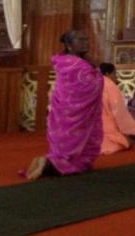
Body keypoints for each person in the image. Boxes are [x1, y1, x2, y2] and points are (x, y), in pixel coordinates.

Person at [24, 30, 103, 180]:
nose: (85, 42)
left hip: (66, 108)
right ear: (69, 45)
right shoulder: (77, 64)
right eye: (80, 40)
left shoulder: (69, 61)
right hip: (75, 111)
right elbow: (90, 85)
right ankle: (49, 163)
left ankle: (49, 162)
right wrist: (97, 72)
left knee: (71, 145)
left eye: (86, 39)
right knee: (72, 148)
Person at [99, 63, 135, 154]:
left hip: (92, 126)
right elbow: (118, 109)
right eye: (114, 74)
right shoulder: (109, 85)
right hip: (107, 125)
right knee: (123, 142)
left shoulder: (92, 83)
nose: (116, 77)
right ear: (107, 73)